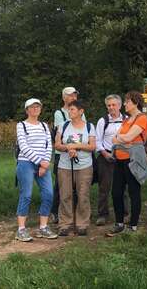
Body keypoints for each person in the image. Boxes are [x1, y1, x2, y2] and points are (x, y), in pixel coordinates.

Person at [107, 91, 147, 236]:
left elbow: (128, 137)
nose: (124, 104)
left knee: (134, 192)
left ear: (135, 103)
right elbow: (118, 138)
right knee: (116, 192)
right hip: (119, 160)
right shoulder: (127, 120)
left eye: (127, 101)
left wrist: (121, 138)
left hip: (133, 160)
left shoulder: (142, 118)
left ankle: (133, 224)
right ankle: (119, 223)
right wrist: (122, 138)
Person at [14, 98, 57, 241]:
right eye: (32, 107)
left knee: (49, 194)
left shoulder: (44, 126)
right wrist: (41, 163)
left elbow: (48, 145)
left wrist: (45, 162)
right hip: (26, 163)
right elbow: (24, 147)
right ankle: (21, 229)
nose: (35, 109)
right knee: (26, 194)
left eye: (37, 107)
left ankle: (43, 227)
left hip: (43, 164)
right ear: (27, 110)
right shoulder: (21, 125)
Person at [54, 99, 96, 236]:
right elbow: (57, 144)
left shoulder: (89, 127)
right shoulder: (63, 125)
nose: (69, 112)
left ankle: (82, 224)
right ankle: (65, 224)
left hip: (84, 166)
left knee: (83, 194)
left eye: (72, 109)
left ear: (80, 111)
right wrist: (67, 148)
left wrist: (76, 146)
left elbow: (92, 147)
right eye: (69, 109)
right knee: (65, 194)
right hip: (65, 166)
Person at [50, 86, 85, 224]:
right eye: (71, 95)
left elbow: (83, 127)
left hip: (78, 152)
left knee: (76, 184)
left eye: (75, 95)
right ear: (64, 97)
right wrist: (71, 146)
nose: (73, 98)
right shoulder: (59, 113)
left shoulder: (81, 112)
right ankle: (55, 211)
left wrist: (76, 146)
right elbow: (63, 130)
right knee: (61, 184)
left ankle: (74, 212)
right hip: (62, 153)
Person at [94, 94, 127, 226]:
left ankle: (124, 213)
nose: (111, 107)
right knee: (104, 187)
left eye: (114, 105)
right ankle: (102, 214)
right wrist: (104, 153)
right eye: (109, 105)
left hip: (123, 157)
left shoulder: (127, 119)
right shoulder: (103, 121)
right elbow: (97, 140)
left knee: (123, 187)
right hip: (106, 156)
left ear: (119, 105)